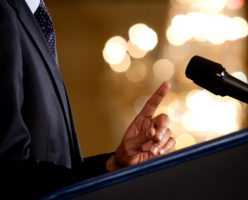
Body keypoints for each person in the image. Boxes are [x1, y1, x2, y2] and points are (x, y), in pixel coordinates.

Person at [0, 0, 175, 198]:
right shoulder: (3, 13)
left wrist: (113, 165)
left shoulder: (32, 14)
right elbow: (9, 174)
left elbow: (52, 163)